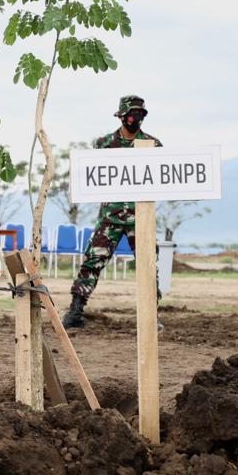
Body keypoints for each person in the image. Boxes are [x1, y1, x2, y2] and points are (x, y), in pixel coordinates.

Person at [63, 95, 161, 329]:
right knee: (93, 260)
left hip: (141, 217)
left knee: (148, 266)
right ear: (121, 116)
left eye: (140, 115)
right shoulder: (104, 144)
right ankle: (76, 310)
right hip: (110, 217)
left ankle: (151, 316)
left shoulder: (153, 145)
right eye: (131, 115)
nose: (135, 119)